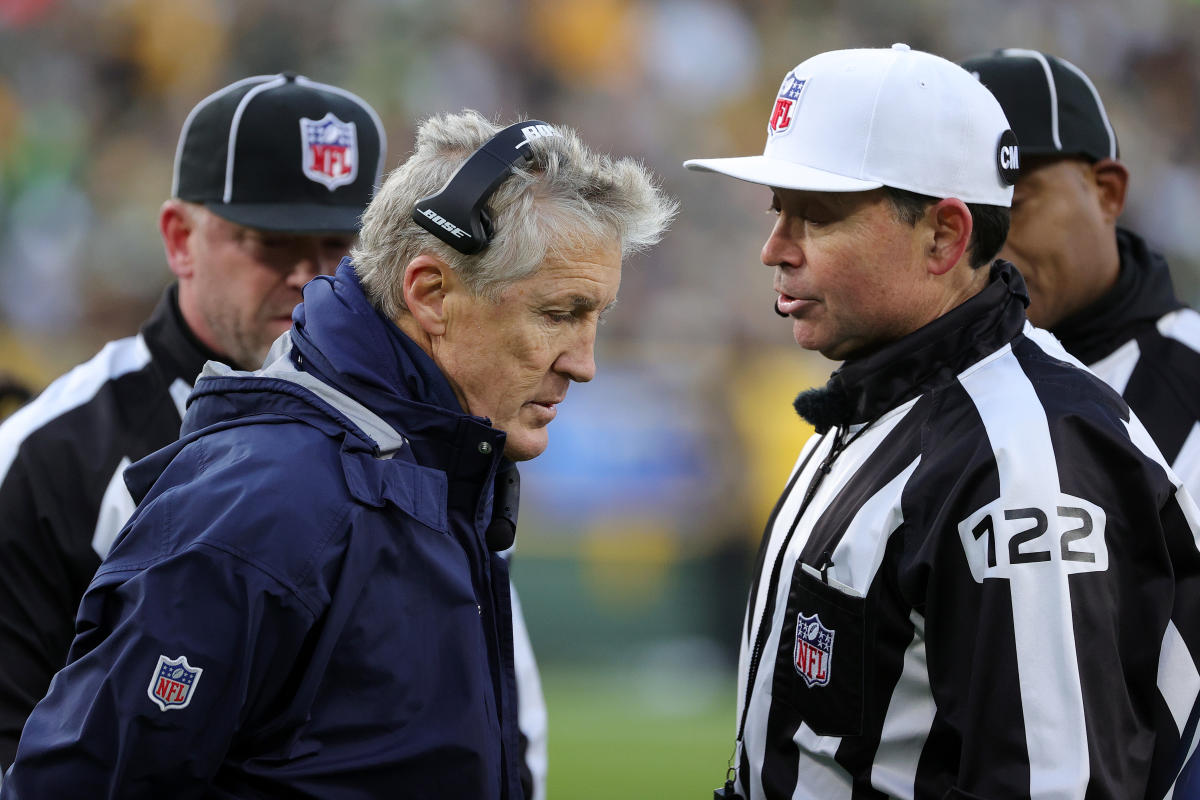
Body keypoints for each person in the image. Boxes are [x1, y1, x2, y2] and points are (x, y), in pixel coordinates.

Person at [1, 109, 675, 798]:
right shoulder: (269, 502)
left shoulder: (441, 470)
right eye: (559, 314)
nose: (586, 363)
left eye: (597, 317)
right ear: (430, 293)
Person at [684, 44, 1200, 799]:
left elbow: (1050, 787)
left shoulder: (1024, 455)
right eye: (777, 211)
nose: (775, 250)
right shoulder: (881, 400)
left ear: (945, 237)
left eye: (816, 216)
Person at [962, 45, 1200, 798]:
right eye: (964, 210)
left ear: (1107, 190)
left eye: (1017, 198)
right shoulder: (931, 394)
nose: (985, 243)